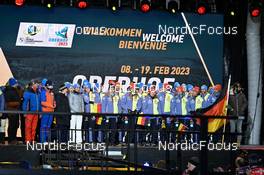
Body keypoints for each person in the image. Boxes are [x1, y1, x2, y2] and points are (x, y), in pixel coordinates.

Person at [4, 78, 22, 144]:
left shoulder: (15, 90)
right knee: (12, 125)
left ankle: (14, 139)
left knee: (16, 125)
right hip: (11, 111)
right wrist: (17, 103)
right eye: (15, 83)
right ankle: (11, 139)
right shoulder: (8, 91)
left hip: (16, 111)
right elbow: (7, 103)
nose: (17, 84)